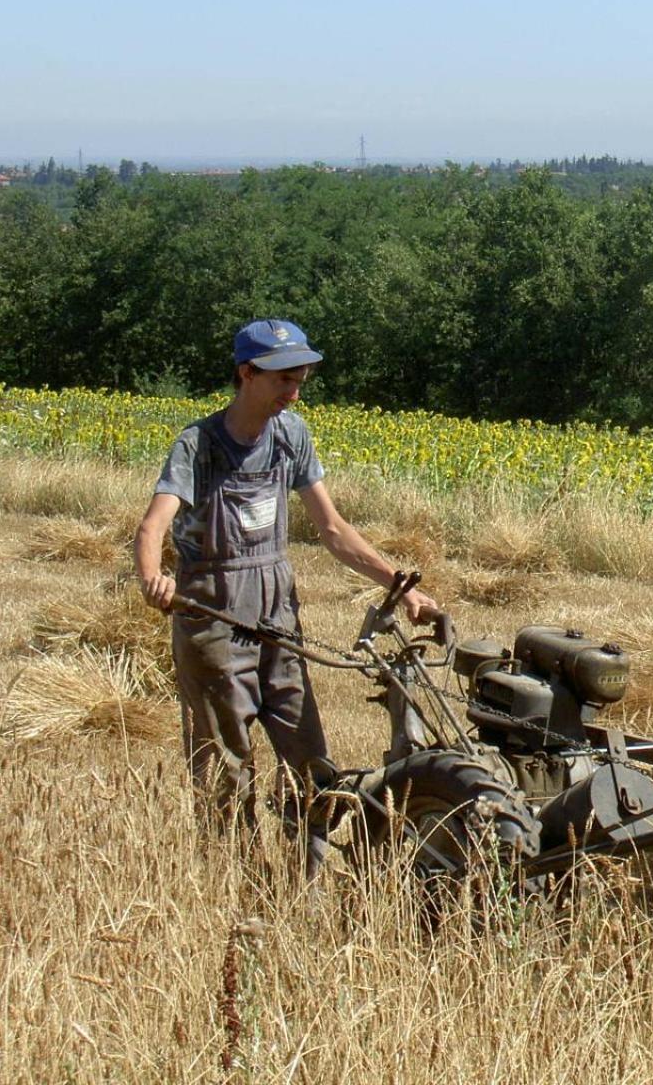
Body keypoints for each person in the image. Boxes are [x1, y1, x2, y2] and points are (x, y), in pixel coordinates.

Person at [134, 319, 438, 876]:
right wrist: (155, 577)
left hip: (277, 615)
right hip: (212, 617)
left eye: (299, 380)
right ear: (246, 373)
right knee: (227, 770)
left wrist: (399, 586)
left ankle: (308, 884)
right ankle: (237, 887)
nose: (293, 393)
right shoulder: (198, 445)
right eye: (282, 380)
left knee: (311, 763)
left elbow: (333, 530)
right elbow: (154, 525)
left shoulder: (291, 435)